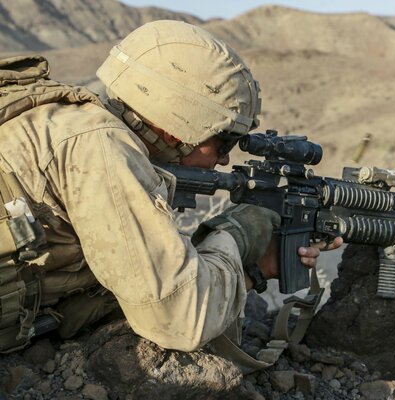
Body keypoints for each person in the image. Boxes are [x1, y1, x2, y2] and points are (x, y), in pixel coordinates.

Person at [0, 20, 341, 353]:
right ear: (178, 127)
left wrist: (257, 266)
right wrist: (237, 236)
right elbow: (180, 319)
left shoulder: (69, 121)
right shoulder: (99, 148)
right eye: (224, 141)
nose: (224, 161)